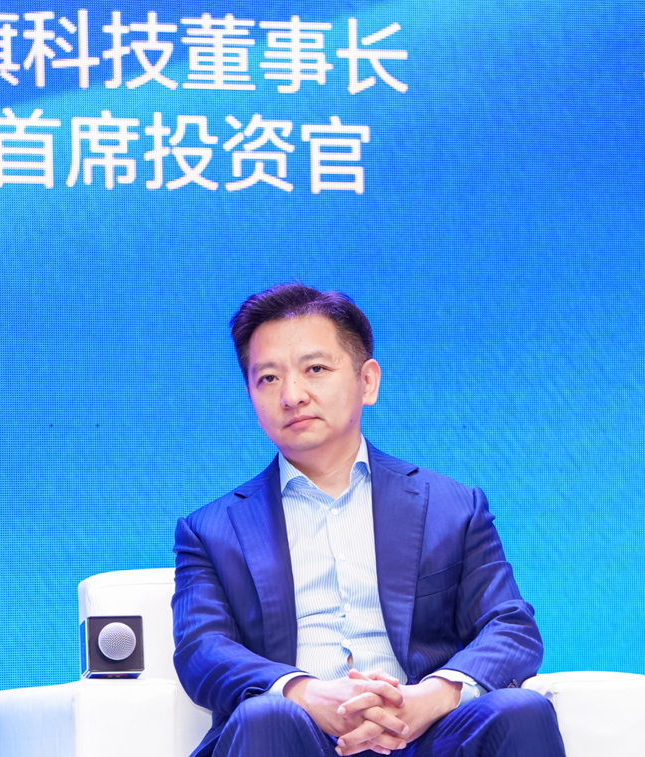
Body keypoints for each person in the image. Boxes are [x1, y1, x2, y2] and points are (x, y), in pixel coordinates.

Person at [172, 284, 565, 757]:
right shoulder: (211, 531)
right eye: (268, 378)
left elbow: (511, 626)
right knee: (267, 715)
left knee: (521, 709)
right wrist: (303, 692)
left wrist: (431, 697)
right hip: (291, 735)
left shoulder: (452, 506)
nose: (292, 395)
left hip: (428, 735)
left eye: (315, 369)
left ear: (368, 382)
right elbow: (201, 650)